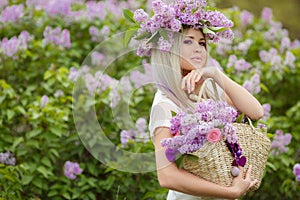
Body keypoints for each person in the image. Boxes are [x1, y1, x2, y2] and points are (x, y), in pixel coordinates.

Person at [132, 0, 264, 199]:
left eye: (201, 43)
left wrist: (216, 74)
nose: (198, 49)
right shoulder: (165, 104)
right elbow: (167, 176)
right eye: (188, 41)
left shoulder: (208, 90)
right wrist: (230, 192)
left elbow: (256, 112)